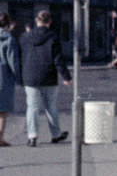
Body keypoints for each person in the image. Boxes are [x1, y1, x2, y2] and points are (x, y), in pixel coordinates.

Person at [20, 10, 72, 146]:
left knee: (32, 107)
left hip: (30, 77)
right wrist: (66, 77)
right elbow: (58, 60)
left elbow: (21, 57)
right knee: (51, 107)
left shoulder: (25, 37)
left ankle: (32, 137)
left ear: (36, 21)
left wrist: (20, 76)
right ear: (50, 22)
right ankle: (55, 134)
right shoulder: (53, 38)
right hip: (49, 76)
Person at [0, 12, 21, 147]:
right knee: (2, 110)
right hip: (3, 78)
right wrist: (19, 78)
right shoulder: (9, 39)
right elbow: (13, 62)